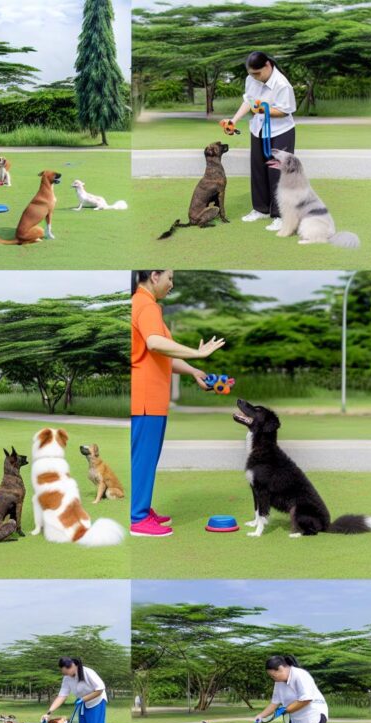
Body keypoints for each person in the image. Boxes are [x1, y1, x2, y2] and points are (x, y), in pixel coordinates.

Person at [130, 270, 225, 537]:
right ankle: (137, 518)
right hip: (146, 399)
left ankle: (142, 508)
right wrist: (198, 351)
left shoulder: (147, 306)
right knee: (143, 459)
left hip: (153, 399)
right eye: (169, 277)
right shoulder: (145, 305)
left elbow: (166, 354)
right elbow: (155, 343)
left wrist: (194, 370)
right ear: (154, 275)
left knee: (148, 458)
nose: (172, 284)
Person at [224, 51, 297, 232]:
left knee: (278, 173)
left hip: (280, 131)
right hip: (258, 129)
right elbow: (248, 102)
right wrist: (233, 120)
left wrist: (263, 109)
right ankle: (261, 209)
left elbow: (285, 111)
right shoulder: (252, 79)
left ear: (267, 65)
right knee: (258, 169)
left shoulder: (282, 84)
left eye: (257, 73)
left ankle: (281, 216)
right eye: (251, 74)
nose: (254, 77)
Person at [256, 655, 328, 723]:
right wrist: (260, 716)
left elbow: (306, 699)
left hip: (312, 719)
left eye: (273, 675)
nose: (273, 679)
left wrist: (286, 709)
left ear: (280, 668)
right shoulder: (278, 682)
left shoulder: (300, 675)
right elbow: (274, 703)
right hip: (296, 722)